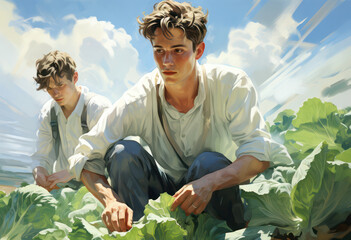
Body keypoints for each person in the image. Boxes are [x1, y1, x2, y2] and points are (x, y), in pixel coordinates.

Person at [48, 0, 292, 232]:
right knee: (122, 153)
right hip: (167, 193)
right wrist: (110, 200)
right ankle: (143, 233)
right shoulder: (139, 97)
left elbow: (258, 155)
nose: (166, 61)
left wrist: (210, 182)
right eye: (159, 51)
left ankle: (224, 233)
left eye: (177, 50)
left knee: (208, 163)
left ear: (199, 51)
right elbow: (84, 155)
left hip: (218, 192)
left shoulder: (231, 84)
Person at [31, 50, 111, 192]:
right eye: (49, 88)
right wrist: (39, 170)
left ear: (75, 77)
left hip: (97, 186)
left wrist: (71, 171)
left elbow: (104, 152)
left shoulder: (97, 107)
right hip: (62, 188)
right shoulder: (48, 112)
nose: (55, 94)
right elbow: (42, 155)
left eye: (60, 85)